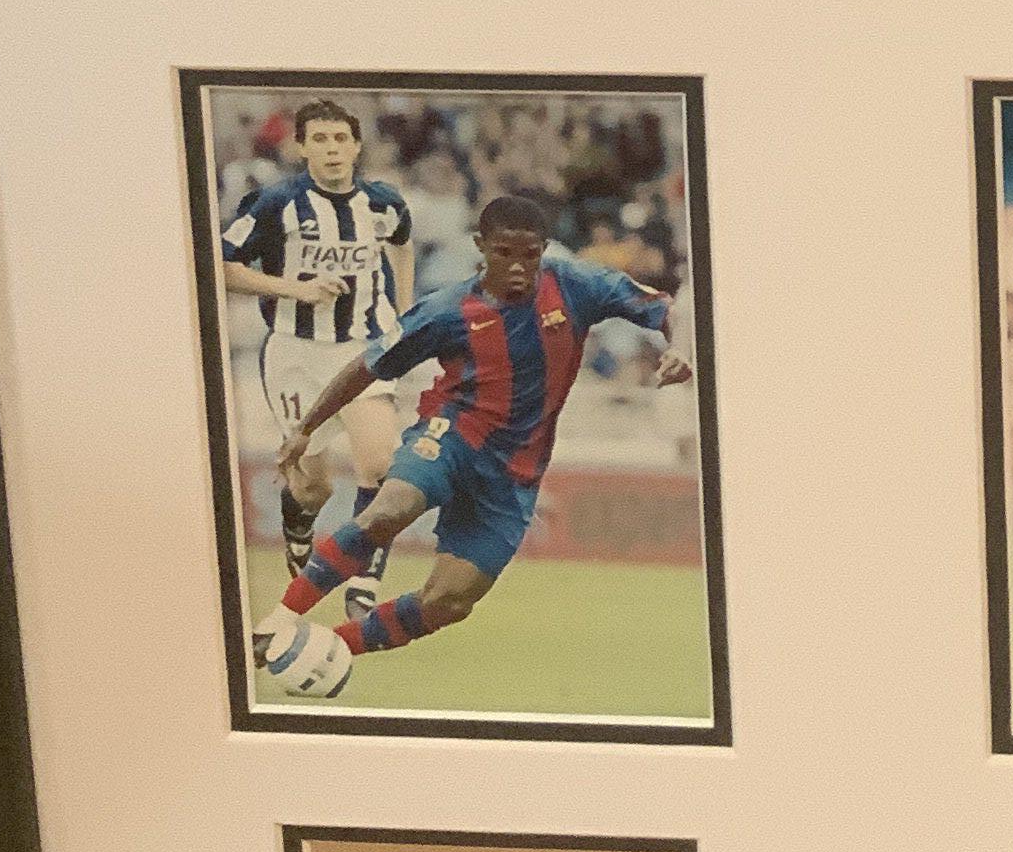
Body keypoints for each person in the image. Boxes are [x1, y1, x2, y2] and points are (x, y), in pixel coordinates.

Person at [254, 187, 688, 681]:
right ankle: (279, 621)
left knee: (449, 602)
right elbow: (366, 366)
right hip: (452, 436)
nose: (519, 266)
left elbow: (663, 307)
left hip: (514, 476)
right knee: (390, 510)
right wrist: (305, 430)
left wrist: (679, 348)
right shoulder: (446, 310)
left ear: (544, 249)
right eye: (505, 253)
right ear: (482, 246)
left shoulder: (576, 285)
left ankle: (326, 648)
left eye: (530, 254)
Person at [219, 96, 413, 592]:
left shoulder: (383, 204)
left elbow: (402, 243)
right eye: (320, 140)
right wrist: (296, 289)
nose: (332, 149)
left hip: (362, 347)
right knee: (314, 485)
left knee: (380, 461)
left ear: (357, 146)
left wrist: (403, 311)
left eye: (341, 139)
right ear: (301, 147)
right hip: (295, 353)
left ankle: (363, 576)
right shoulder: (277, 204)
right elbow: (220, 266)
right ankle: (298, 520)